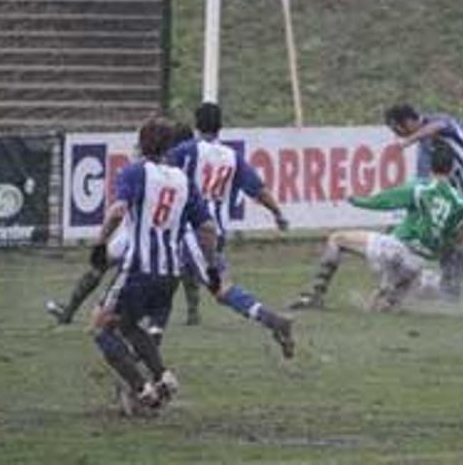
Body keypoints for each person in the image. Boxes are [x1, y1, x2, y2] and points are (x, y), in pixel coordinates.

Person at [89, 116, 214, 411]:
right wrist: (209, 266)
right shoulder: (183, 180)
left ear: (141, 143)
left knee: (101, 327)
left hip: (138, 269)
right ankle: (163, 376)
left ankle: (142, 389)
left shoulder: (134, 172)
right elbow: (208, 228)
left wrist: (99, 243)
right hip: (170, 274)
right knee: (130, 326)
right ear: (169, 146)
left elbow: (118, 210)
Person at [290, 141, 463, 311]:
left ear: (431, 165)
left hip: (396, 249)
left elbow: (385, 201)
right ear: (453, 169)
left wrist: (357, 200)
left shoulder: (420, 187)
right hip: (417, 263)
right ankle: (431, 286)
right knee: (379, 309)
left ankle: (315, 295)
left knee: (337, 239)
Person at [45, 122, 200, 326]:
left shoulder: (153, 165)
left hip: (140, 228)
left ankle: (72, 311)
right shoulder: (181, 170)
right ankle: (189, 314)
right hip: (160, 229)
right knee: (178, 265)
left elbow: (123, 205)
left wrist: (102, 238)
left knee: (105, 265)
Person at [168, 102, 291, 330]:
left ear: (197, 124)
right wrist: (278, 213)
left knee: (219, 288)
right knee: (178, 270)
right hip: (217, 231)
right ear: (220, 127)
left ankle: (271, 319)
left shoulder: (186, 151)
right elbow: (259, 190)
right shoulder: (233, 157)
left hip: (192, 229)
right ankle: (170, 320)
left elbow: (159, 172)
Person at [383, 104, 463, 302]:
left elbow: (439, 125)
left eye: (398, 128)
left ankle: (451, 288)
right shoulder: (426, 139)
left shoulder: (436, 121)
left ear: (408, 121)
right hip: (461, 188)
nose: (397, 133)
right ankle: (447, 283)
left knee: (460, 234)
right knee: (447, 233)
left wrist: (406, 142)